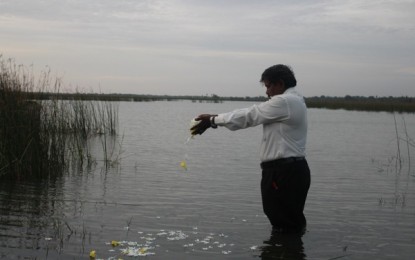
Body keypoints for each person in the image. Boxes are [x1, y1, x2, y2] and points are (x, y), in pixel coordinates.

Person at [191, 64, 311, 233]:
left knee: (283, 221)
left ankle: (285, 251)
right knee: (288, 219)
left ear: (280, 84)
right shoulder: (294, 100)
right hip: (290, 170)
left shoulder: (285, 101)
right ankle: (290, 250)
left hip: (284, 172)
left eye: (268, 86)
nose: (267, 92)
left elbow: (250, 115)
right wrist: (215, 121)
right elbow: (251, 114)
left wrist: (213, 120)